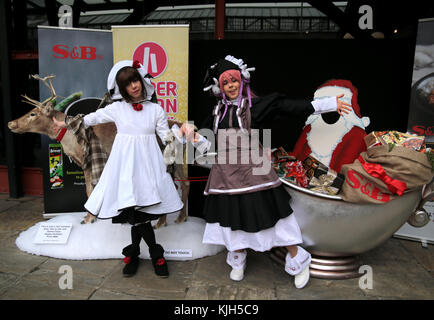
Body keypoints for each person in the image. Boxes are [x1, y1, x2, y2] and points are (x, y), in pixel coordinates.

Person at [181, 55, 352, 289]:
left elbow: (290, 106)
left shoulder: (256, 105)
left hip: (255, 170)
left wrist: (328, 105)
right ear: (219, 87)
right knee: (231, 218)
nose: (231, 85)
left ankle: (298, 260)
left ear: (242, 80)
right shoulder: (216, 112)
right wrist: (192, 134)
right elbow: (210, 147)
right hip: (225, 173)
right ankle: (238, 260)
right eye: (225, 82)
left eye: (234, 80)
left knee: (272, 216)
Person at [52, 60, 184, 278]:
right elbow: (90, 119)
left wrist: (183, 133)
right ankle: (153, 253)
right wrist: (65, 122)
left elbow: (166, 136)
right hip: (124, 170)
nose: (134, 86)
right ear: (121, 89)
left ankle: (135, 254)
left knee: (139, 215)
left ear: (141, 81)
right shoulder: (117, 108)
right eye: (127, 84)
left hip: (148, 168)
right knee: (136, 213)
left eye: (135, 80)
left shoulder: (155, 110)